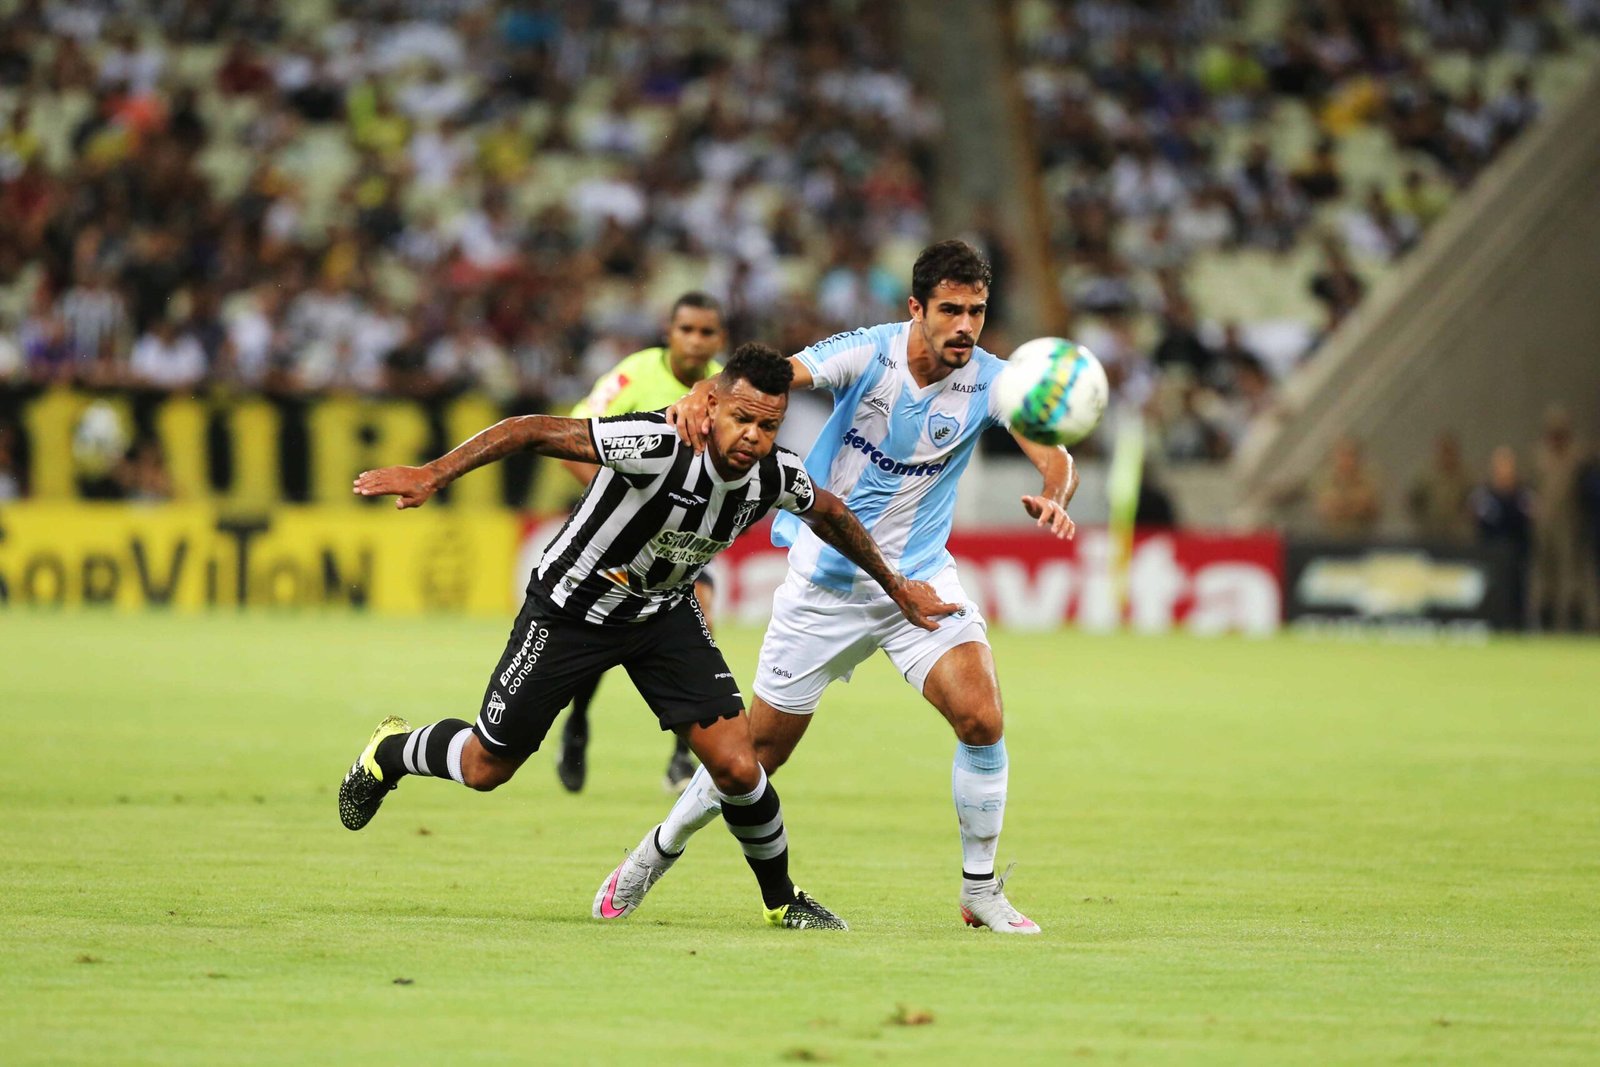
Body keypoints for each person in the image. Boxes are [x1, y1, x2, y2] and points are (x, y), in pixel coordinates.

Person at [339, 343, 957, 931]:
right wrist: (434, 473)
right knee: (485, 767)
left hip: (662, 618)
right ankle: (390, 752)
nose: (753, 438)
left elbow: (831, 513)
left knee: (740, 767)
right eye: (742, 418)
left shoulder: (772, 477)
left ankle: (782, 900)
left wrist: (897, 586)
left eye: (768, 427)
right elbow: (529, 429)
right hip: (570, 612)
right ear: (710, 406)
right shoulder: (655, 444)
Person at [592, 240, 1079, 934]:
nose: (964, 326)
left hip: (918, 578)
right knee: (754, 757)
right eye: (950, 310)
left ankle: (980, 890)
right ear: (917, 308)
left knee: (982, 718)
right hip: (825, 582)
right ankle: (658, 848)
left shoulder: (994, 380)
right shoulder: (868, 353)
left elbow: (1053, 452)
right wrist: (705, 394)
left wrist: (1055, 492)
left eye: (976, 310)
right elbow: (773, 376)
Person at [554, 291, 728, 795]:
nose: (696, 341)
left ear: (720, 339)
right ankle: (579, 721)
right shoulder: (633, 375)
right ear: (668, 332)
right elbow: (573, 436)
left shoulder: (725, 391)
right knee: (597, 640)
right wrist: (613, 508)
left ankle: (680, 755)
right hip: (611, 539)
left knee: (701, 615)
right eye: (687, 329)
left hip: (678, 540)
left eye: (707, 332)